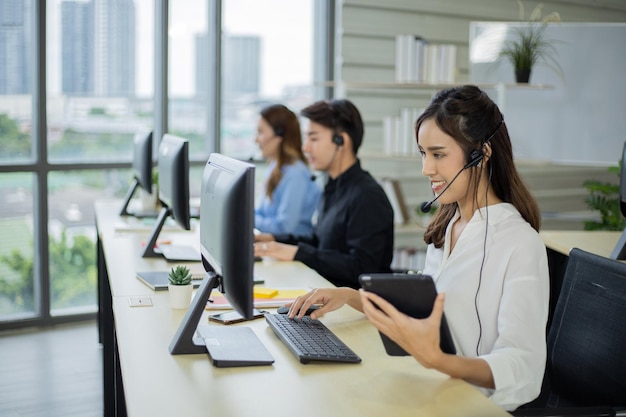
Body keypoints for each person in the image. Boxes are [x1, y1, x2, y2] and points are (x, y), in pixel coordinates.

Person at [286, 85, 550, 412]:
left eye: (438, 154)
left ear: (481, 154)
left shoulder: (519, 243)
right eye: (423, 154)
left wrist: (438, 360)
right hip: (433, 384)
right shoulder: (448, 225)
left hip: (468, 401)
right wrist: (347, 295)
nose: (426, 169)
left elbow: (524, 366)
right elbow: (421, 313)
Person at [254, 99, 394, 289]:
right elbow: (321, 241)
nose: (305, 147)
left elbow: (361, 268)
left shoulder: (367, 196)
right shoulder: (334, 187)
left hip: (354, 308)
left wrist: (298, 253)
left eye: (313, 138)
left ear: (341, 141)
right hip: (324, 292)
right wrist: (274, 239)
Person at [254, 104, 321, 235]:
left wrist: (247, 219)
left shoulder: (295, 173)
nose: (256, 139)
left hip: (292, 250)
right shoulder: (275, 166)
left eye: (261, 132)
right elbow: (261, 212)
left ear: (279, 135)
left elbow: (284, 227)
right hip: (275, 245)